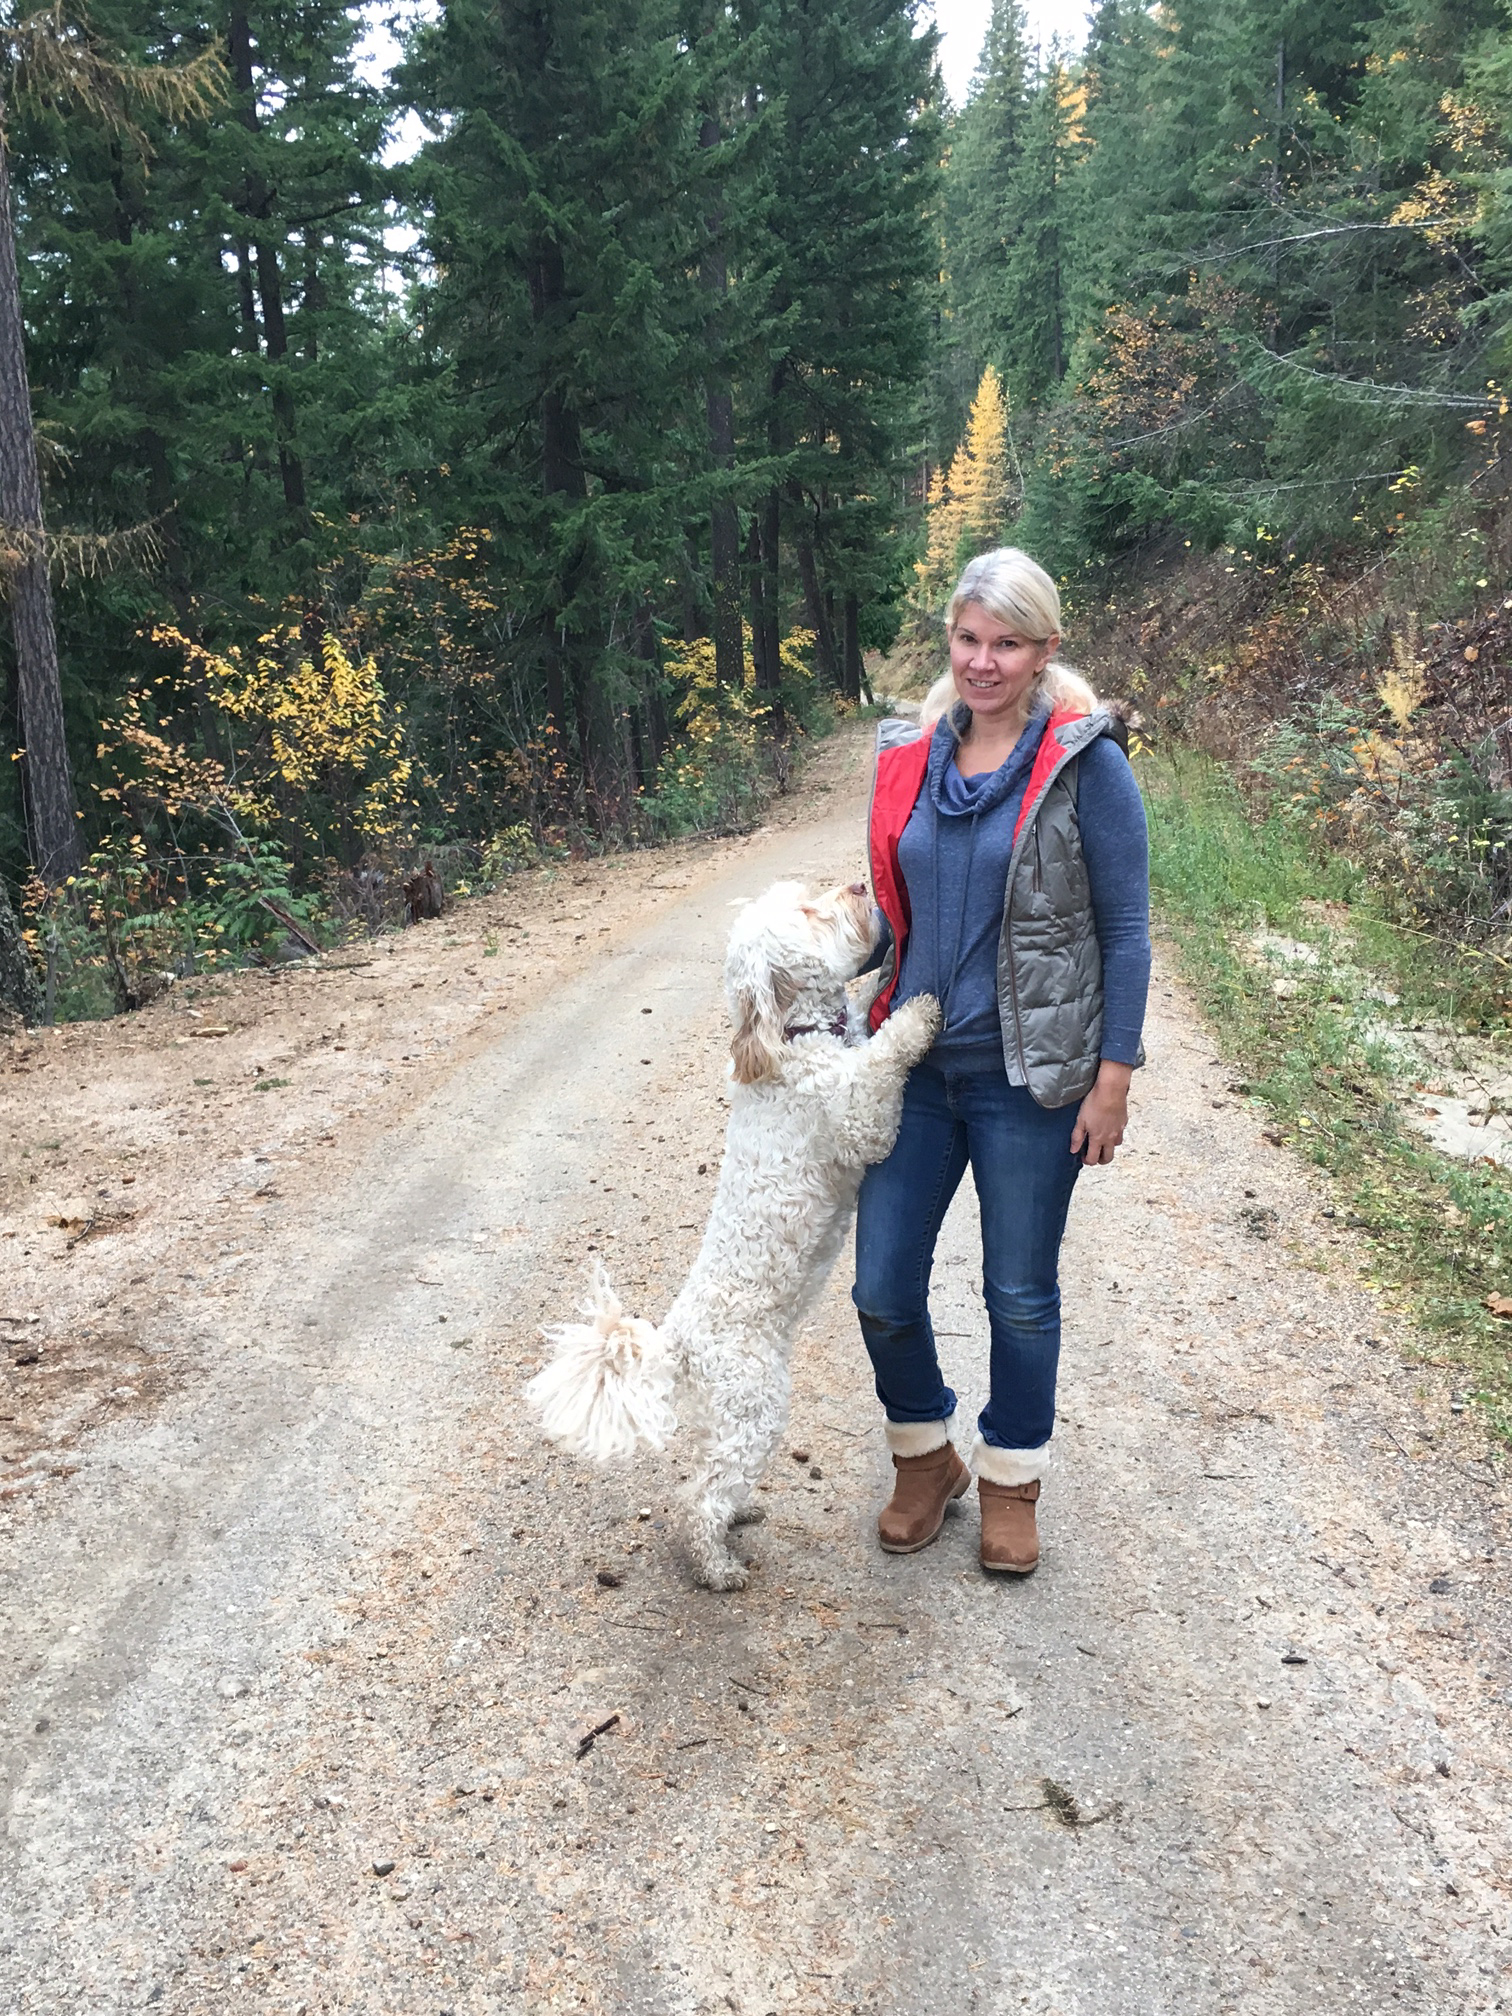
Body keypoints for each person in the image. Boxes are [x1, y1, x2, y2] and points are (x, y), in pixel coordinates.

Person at [853, 546, 1151, 1575]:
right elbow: (889, 910)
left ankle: (1013, 1481)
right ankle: (925, 1455)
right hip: (919, 1070)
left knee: (1018, 1293)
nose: (983, 662)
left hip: (1033, 1080)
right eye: (969, 639)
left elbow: (1125, 930)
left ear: (1044, 649)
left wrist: (1114, 1078)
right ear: (951, 639)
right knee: (882, 1287)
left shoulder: (1084, 763)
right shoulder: (909, 758)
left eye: (1007, 643)